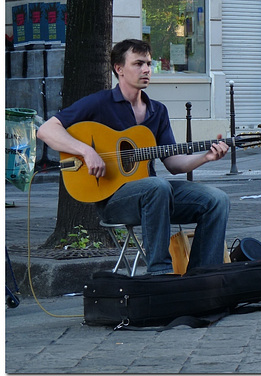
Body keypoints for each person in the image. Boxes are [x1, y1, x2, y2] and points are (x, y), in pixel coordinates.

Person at [37, 39, 230, 275]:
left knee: (217, 200)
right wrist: (86, 151)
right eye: (138, 63)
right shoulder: (100, 103)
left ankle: (204, 277)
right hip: (114, 200)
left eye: (148, 63)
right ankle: (161, 274)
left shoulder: (157, 111)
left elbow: (174, 164)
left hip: (155, 197)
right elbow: (46, 130)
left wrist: (206, 157)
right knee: (156, 187)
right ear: (119, 69)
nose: (147, 69)